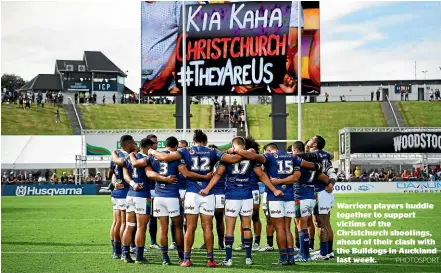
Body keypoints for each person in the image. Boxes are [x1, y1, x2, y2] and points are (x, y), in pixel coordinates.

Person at [149, 130, 240, 267]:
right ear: (205, 141)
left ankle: (186, 259)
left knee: (190, 227)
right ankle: (210, 260)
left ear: (194, 140)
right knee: (208, 227)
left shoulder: (185, 150)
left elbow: (164, 158)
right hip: (207, 193)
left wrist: (151, 151)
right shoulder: (212, 152)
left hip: (191, 193)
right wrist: (238, 150)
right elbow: (233, 159)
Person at [233, 142, 322, 265]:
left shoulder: (268, 156)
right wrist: (318, 165)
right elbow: (310, 165)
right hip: (290, 195)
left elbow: (252, 156)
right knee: (287, 227)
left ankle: (283, 258)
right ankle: (291, 257)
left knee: (279, 228)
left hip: (275, 196)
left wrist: (236, 149)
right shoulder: (292, 156)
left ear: (269, 151)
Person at [200, 136, 284, 267]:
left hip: (232, 196)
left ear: (233, 146)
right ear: (244, 146)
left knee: (230, 228)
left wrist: (207, 189)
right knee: (246, 226)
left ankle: (229, 259)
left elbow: (218, 174)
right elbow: (262, 175)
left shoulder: (228, 158)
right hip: (247, 195)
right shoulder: (251, 157)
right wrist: (274, 190)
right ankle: (248, 258)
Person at [290, 141, 330, 262]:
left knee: (301, 226)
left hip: (301, 196)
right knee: (306, 225)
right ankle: (303, 252)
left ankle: (305, 255)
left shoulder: (298, 161)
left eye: (293, 150)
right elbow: (325, 178)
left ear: (296, 150)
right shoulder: (314, 163)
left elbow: (295, 177)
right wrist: (330, 184)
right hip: (312, 195)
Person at [119, 138, 154, 264]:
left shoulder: (128, 158)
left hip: (130, 195)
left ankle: (125, 255)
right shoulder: (145, 158)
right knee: (141, 227)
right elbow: (150, 174)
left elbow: (125, 175)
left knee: (129, 226)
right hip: (142, 195)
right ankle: (139, 257)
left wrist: (133, 184)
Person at [306, 136, 337, 260]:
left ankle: (323, 253)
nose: (309, 139)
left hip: (319, 191)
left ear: (314, 145)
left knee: (319, 223)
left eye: (312, 139)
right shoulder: (325, 155)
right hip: (326, 192)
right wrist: (331, 183)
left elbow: (315, 172)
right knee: (326, 223)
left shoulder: (314, 156)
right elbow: (332, 172)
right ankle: (329, 251)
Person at [109, 135, 137, 259]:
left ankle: (115, 250)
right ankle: (122, 251)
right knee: (124, 224)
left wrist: (114, 182)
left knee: (116, 222)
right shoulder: (126, 156)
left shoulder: (116, 154)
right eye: (133, 143)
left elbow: (111, 173)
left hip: (115, 193)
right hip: (124, 192)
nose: (135, 144)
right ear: (128, 143)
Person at [200, 144, 226, 251]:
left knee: (207, 220)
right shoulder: (222, 161)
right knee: (218, 219)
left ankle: (210, 243)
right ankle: (220, 244)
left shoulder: (203, 161)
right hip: (218, 193)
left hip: (210, 193)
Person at [170, 139, 189, 250]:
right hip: (176, 190)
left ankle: (186, 241)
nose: (180, 149)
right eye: (179, 147)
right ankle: (174, 241)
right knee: (175, 217)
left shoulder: (189, 159)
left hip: (187, 190)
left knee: (187, 218)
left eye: (183, 147)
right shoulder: (174, 158)